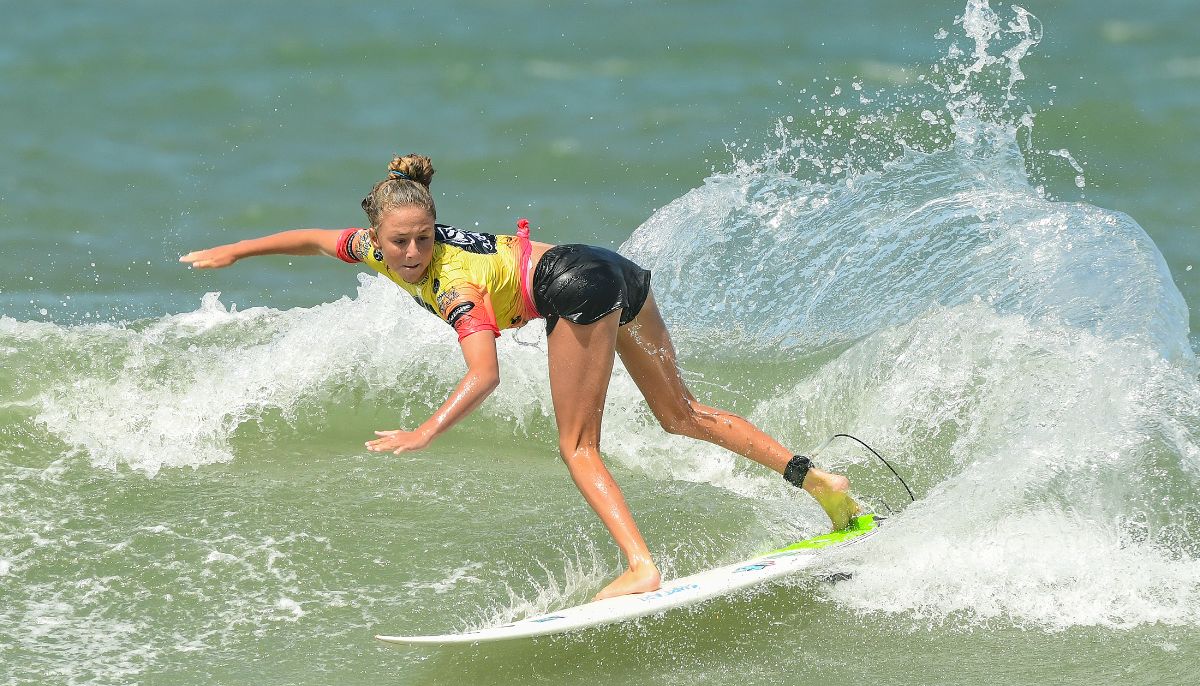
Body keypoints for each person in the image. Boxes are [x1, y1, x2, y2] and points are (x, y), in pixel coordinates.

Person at [180, 153, 859, 600]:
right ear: (375, 238)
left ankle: (641, 568)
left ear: (431, 228)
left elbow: (484, 375)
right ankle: (821, 482)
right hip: (607, 265)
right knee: (680, 414)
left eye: (423, 237)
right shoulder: (369, 246)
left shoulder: (455, 288)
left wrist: (426, 430)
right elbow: (309, 238)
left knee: (577, 445)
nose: (413, 252)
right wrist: (234, 251)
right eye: (400, 242)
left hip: (578, 288)